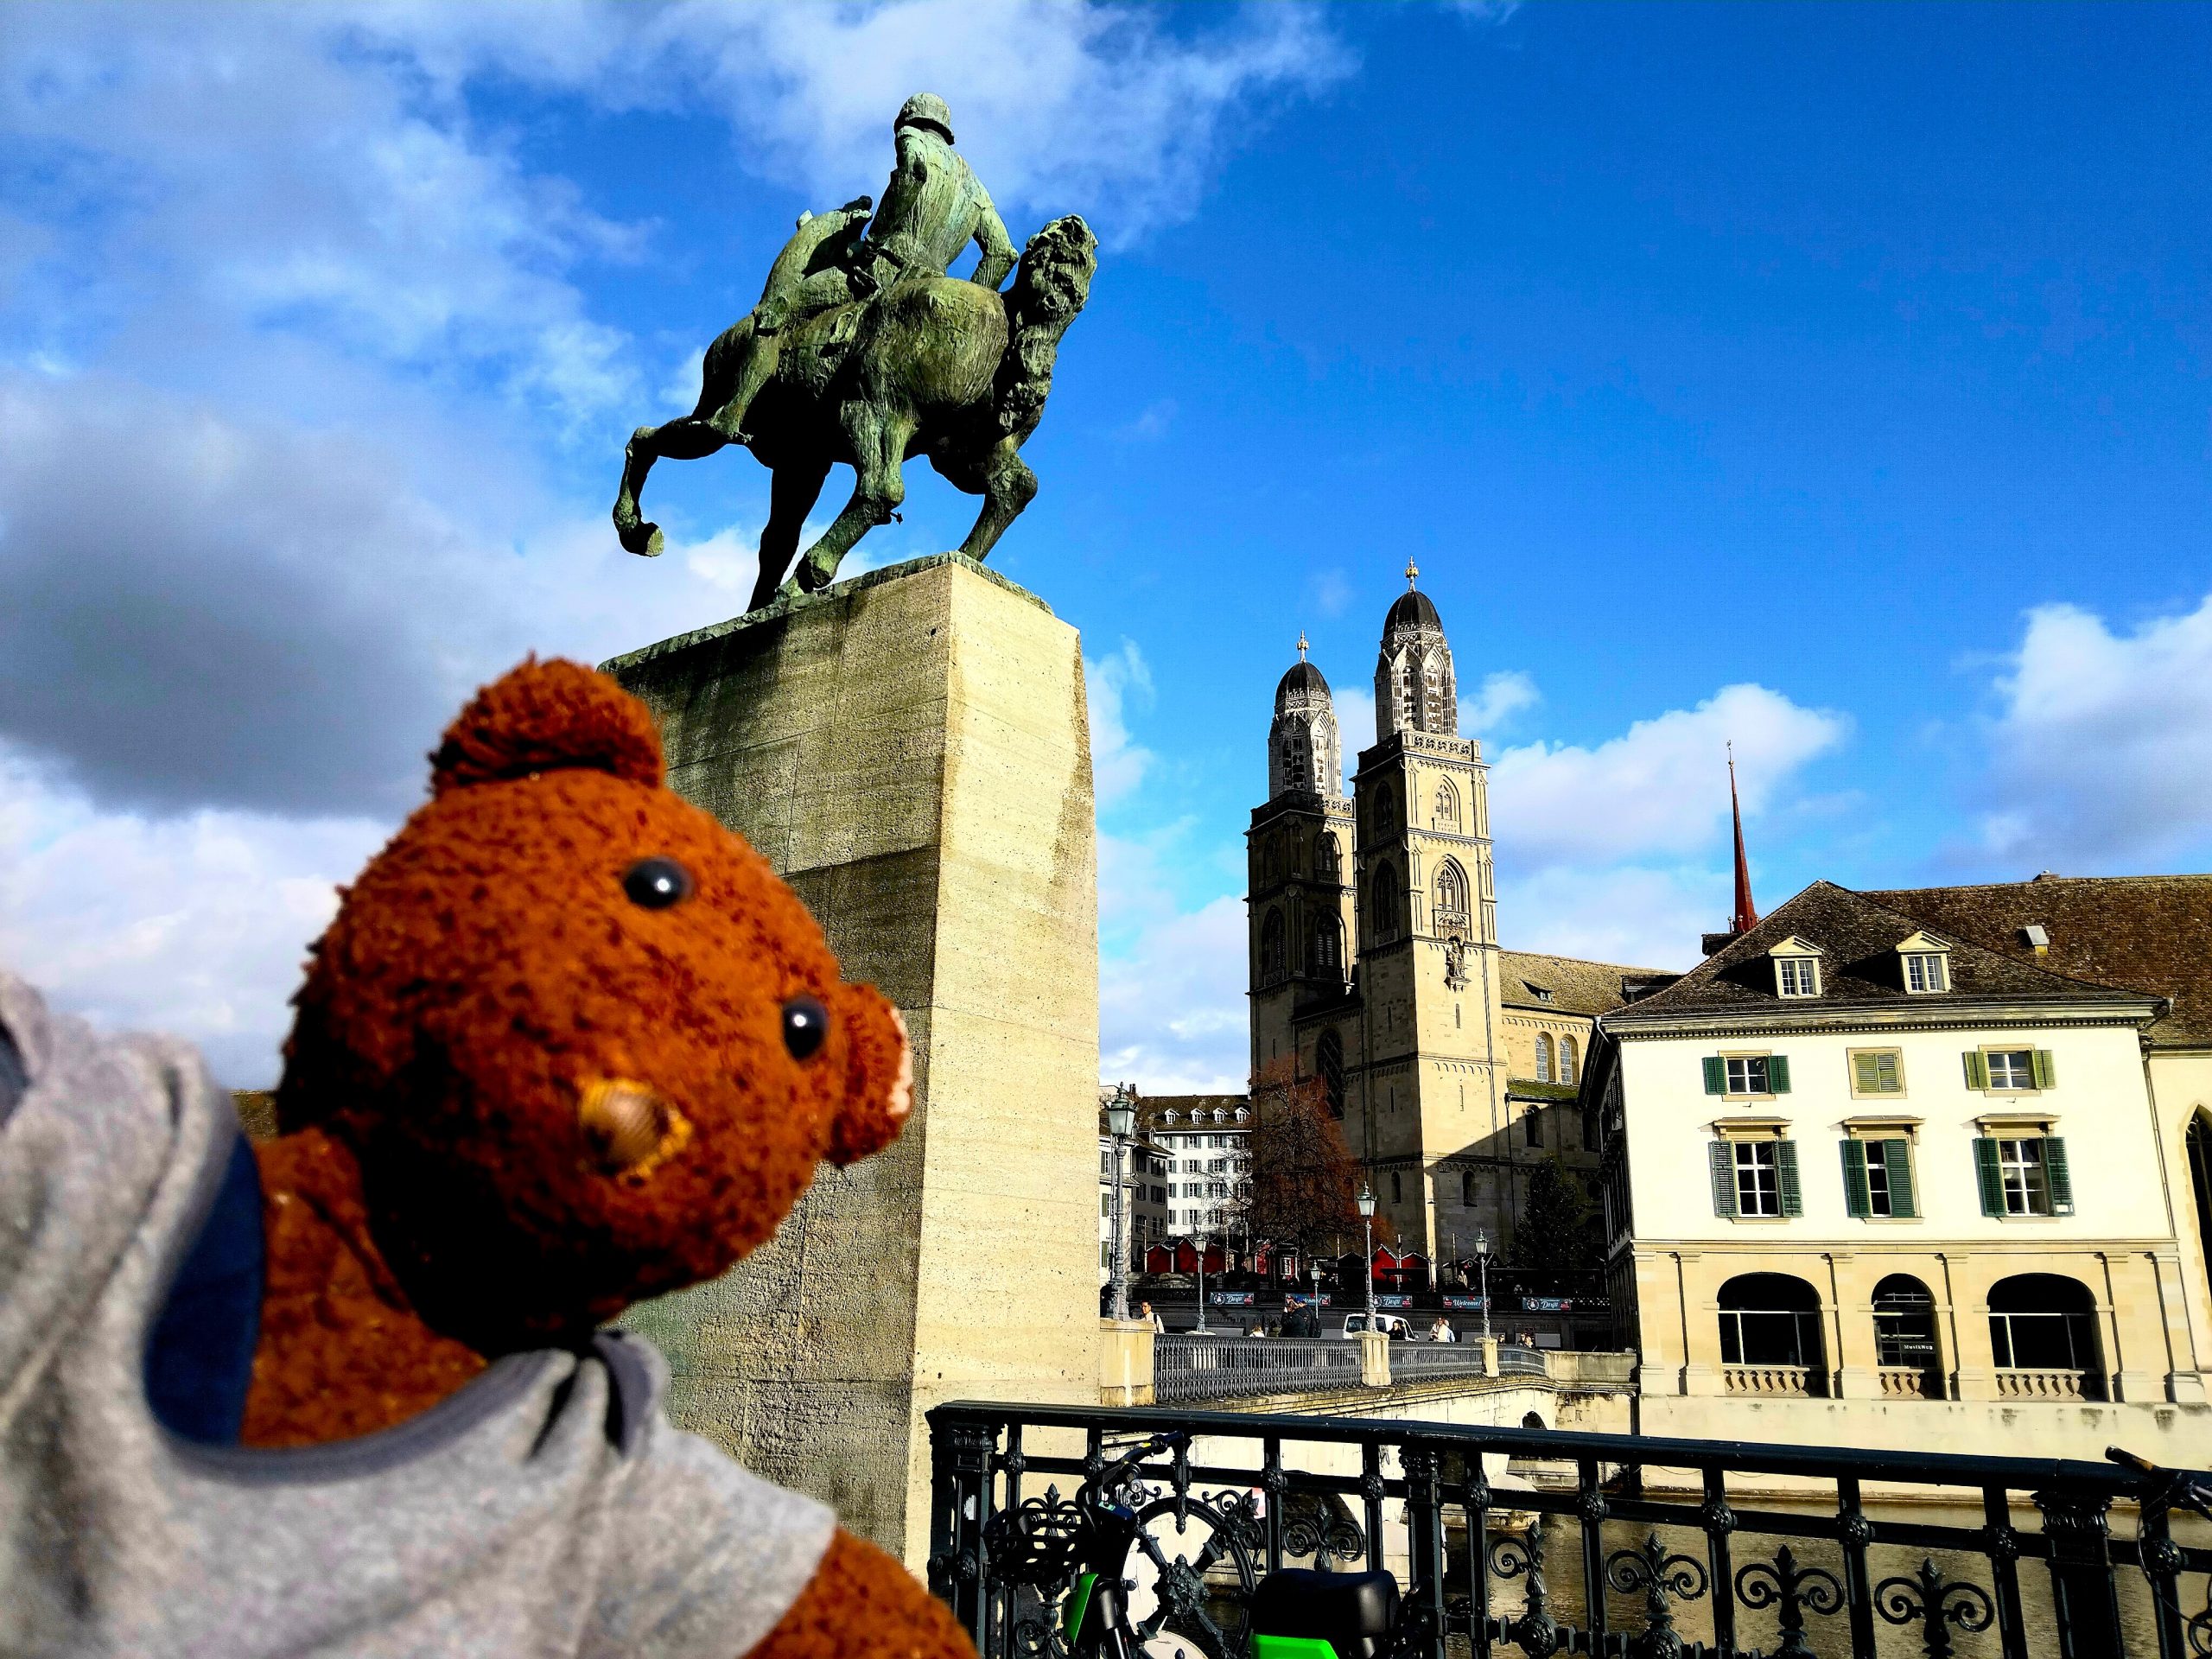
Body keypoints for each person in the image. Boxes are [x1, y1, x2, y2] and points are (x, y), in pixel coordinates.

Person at [716, 92, 1014, 443]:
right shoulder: (975, 186)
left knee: (779, 309)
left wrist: (873, 242)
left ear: (909, 120)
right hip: (929, 283)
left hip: (883, 268)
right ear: (946, 130)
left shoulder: (912, 138)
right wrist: (967, 301)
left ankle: (733, 412)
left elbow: (913, 172)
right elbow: (1003, 252)